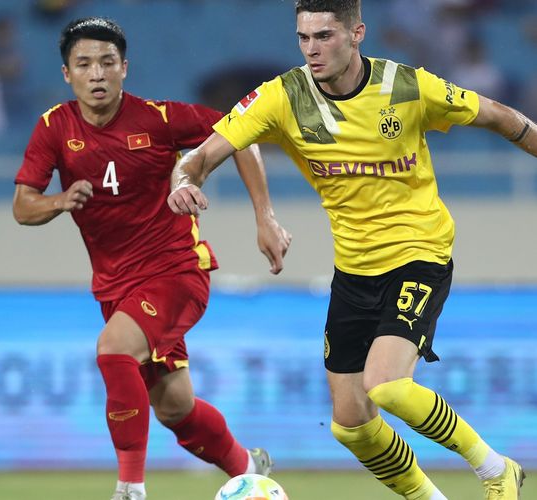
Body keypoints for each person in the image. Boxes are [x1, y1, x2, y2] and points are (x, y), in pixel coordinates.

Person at [168, 1, 536, 499]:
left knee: (387, 386)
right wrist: (182, 181)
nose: (312, 49)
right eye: (304, 37)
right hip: (356, 268)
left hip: (420, 251)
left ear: (357, 32)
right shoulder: (282, 97)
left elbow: (497, 116)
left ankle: (497, 470)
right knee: (351, 425)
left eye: (325, 36)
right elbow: (204, 155)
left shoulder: (406, 87)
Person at [12, 17, 291, 500]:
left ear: (125, 68)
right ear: (67, 74)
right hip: (116, 288)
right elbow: (22, 205)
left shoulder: (160, 119)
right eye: (84, 64)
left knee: (113, 349)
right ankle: (249, 467)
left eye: (107, 63)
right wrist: (57, 202)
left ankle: (130, 488)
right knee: (174, 408)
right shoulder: (54, 128)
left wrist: (264, 217)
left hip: (176, 271)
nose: (96, 74)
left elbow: (239, 132)